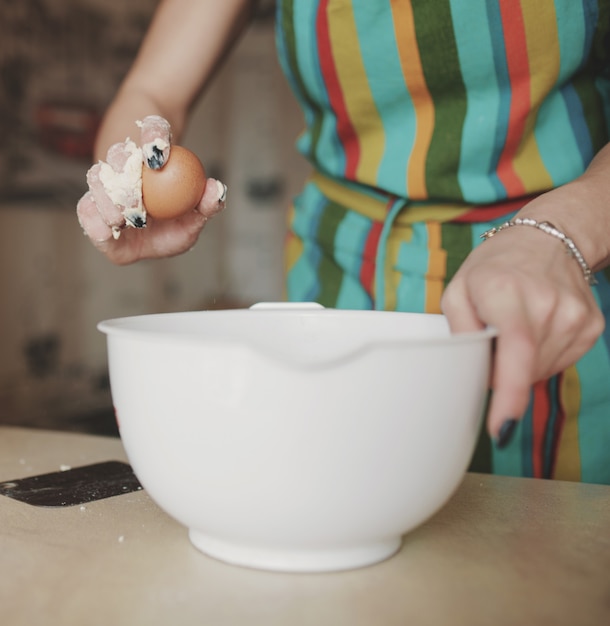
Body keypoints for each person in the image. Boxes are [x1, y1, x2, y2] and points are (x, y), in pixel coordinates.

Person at [77, 0, 610, 484]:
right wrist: (128, 184)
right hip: (340, 277)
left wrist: (564, 228)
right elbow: (153, 91)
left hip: (552, 276)